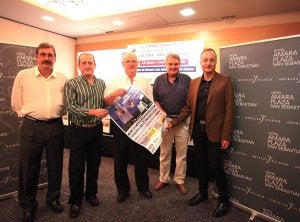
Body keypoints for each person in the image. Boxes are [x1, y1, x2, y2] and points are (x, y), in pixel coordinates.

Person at [166, 48, 234, 218]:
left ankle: (224, 200)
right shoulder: (195, 82)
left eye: (211, 60)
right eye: (205, 60)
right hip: (197, 131)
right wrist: (173, 122)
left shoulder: (225, 81)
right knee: (201, 164)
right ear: (200, 62)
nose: (208, 63)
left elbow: (229, 110)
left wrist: (226, 135)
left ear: (215, 62)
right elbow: (188, 108)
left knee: (216, 166)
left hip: (215, 132)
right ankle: (203, 193)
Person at [11, 42, 67, 222]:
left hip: (56, 126)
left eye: (50, 55)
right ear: (36, 57)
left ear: (55, 58)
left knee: (55, 165)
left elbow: (66, 103)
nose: (46, 58)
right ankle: (28, 205)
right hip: (31, 126)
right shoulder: (23, 75)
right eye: (43, 55)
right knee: (29, 167)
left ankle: (53, 199)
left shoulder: (62, 78)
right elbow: (16, 102)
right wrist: (29, 116)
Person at [104, 51, 153, 203]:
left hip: (140, 126)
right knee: (120, 159)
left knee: (141, 159)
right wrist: (115, 94)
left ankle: (143, 188)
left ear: (138, 64)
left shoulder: (144, 81)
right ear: (123, 64)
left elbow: (150, 103)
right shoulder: (115, 81)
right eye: (128, 61)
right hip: (120, 126)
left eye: (134, 61)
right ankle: (122, 190)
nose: (131, 63)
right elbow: (106, 101)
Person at [64, 53, 108, 218]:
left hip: (96, 129)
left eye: (90, 62)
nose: (87, 65)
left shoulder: (102, 83)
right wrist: (92, 111)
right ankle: (75, 200)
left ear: (95, 65)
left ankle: (91, 193)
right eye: (84, 63)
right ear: (79, 66)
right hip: (78, 130)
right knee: (76, 167)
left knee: (94, 164)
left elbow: (105, 103)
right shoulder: (71, 84)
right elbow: (70, 107)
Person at [152, 53, 191, 194]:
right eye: (170, 64)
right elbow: (155, 100)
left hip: (181, 121)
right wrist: (162, 113)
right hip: (165, 122)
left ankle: (179, 180)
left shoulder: (187, 80)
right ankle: (164, 179)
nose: (173, 67)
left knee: (182, 154)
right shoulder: (158, 80)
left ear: (179, 65)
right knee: (164, 153)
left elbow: (189, 104)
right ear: (166, 65)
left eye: (176, 64)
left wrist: (175, 121)